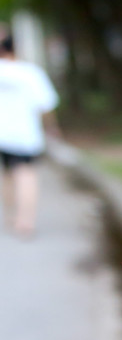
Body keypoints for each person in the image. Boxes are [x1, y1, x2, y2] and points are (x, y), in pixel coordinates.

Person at [0, 33, 60, 238]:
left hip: (3, 135)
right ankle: (25, 221)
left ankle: (10, 215)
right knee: (25, 174)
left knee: (7, 174)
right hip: (24, 134)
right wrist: (51, 127)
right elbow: (45, 104)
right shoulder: (29, 73)